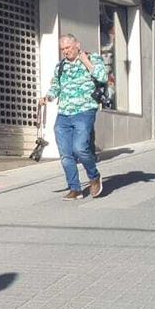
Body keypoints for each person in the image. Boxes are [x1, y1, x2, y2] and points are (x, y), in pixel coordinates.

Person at [42, 34, 108, 200]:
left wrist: (86, 62)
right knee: (65, 154)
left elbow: (103, 77)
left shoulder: (93, 58)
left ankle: (94, 177)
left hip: (84, 111)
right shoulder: (61, 66)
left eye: (68, 48)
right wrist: (47, 97)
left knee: (80, 148)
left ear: (77, 45)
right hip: (64, 113)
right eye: (62, 49)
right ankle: (75, 188)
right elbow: (55, 87)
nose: (65, 52)